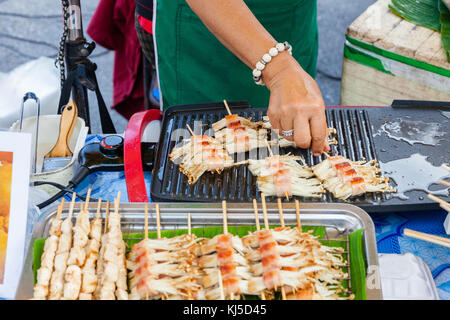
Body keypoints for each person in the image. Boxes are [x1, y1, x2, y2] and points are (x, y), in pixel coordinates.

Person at [135, 0, 330, 156]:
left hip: (290, 17)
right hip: (202, 29)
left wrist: (284, 70)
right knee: (196, 147)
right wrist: (279, 69)